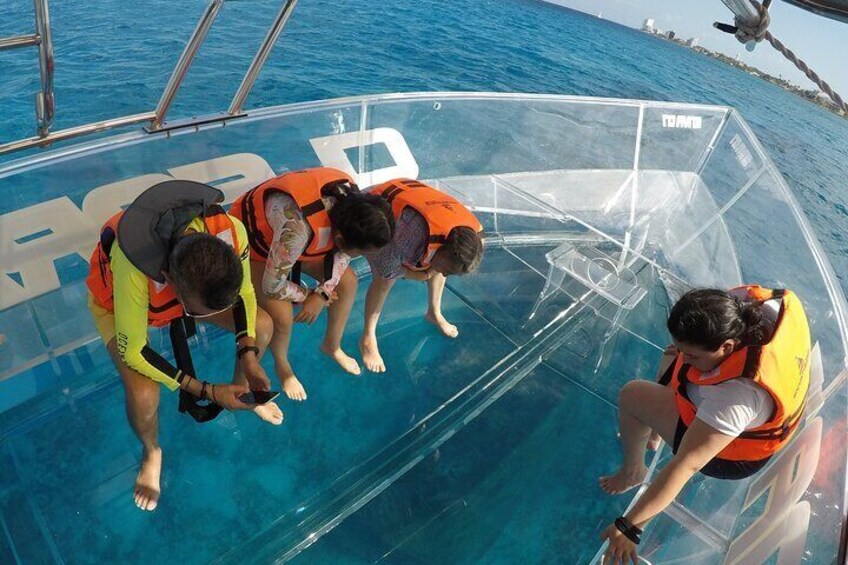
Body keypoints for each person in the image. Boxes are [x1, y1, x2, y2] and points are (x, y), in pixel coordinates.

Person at [86, 180, 280, 512]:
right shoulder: (134, 262)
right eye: (199, 313)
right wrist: (204, 390)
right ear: (169, 281)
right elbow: (134, 349)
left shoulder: (230, 230)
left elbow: (244, 293)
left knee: (262, 325)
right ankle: (151, 450)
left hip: (185, 296)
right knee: (145, 392)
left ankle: (241, 389)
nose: (211, 317)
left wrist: (248, 355)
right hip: (119, 306)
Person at [598, 286, 811, 564]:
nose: (684, 358)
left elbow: (686, 465)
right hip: (731, 415)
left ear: (727, 347)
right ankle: (657, 431)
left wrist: (631, 526)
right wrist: (685, 353)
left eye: (693, 356)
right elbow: (684, 351)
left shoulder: (736, 396)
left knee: (632, 394)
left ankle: (633, 470)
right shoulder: (749, 309)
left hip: (730, 455)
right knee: (670, 356)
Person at [230, 167, 395, 400]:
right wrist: (307, 295)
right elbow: (272, 285)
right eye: (362, 253)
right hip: (256, 248)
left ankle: (332, 345)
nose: (362, 257)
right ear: (339, 239)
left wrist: (323, 294)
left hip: (289, 247)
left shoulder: (353, 209)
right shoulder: (296, 230)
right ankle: (281, 364)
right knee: (282, 315)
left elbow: (344, 255)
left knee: (348, 282)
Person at [359, 178, 484, 373]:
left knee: (442, 264)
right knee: (384, 281)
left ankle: (434, 313)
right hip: (371, 204)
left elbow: (446, 262)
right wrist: (420, 275)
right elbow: (385, 268)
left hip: (414, 206)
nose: (445, 274)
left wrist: (430, 271)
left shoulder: (472, 236)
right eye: (448, 272)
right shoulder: (409, 237)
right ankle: (368, 337)